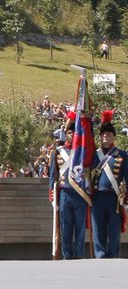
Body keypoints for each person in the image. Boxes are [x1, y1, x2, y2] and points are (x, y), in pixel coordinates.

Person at [50, 115, 89, 259]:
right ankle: (67, 255)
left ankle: (79, 254)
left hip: (79, 193)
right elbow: (53, 175)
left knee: (79, 227)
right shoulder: (58, 151)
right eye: (70, 132)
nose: (72, 135)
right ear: (66, 134)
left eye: (74, 132)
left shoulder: (82, 152)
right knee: (65, 227)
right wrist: (52, 193)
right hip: (65, 192)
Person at [90, 111, 125, 259]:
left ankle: (114, 257)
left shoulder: (122, 155)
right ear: (100, 136)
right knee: (98, 230)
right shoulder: (94, 155)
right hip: (97, 197)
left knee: (113, 230)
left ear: (114, 137)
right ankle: (100, 257)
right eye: (104, 134)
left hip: (113, 198)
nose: (106, 136)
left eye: (109, 134)